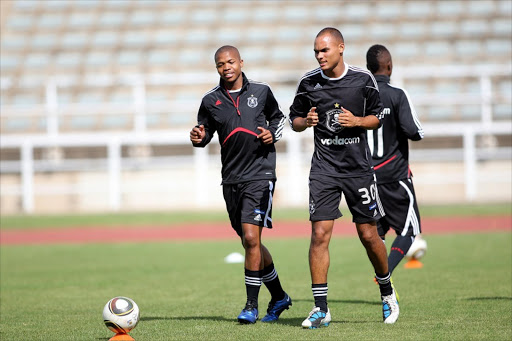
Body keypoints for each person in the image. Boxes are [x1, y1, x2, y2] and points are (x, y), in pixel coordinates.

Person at [289, 27, 399, 328]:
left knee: (368, 235)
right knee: (320, 234)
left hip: (357, 169)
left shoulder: (364, 80)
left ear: (340, 48)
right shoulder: (308, 82)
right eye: (316, 51)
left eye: (324, 50)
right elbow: (294, 119)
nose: (319, 56)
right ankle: (321, 308)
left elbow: (377, 116)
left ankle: (387, 292)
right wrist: (306, 121)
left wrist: (357, 121)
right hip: (324, 170)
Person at [190, 45, 290, 324]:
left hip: (260, 175)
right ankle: (280, 296)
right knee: (252, 243)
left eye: (231, 61)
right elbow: (204, 134)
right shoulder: (210, 100)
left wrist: (272, 133)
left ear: (241, 62)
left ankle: (251, 306)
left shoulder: (261, 91)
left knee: (250, 238)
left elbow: (279, 119)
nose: (226, 67)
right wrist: (198, 137)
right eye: (221, 64)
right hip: (231, 179)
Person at [366, 44, 424, 275]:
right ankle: (385, 277)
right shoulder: (398, 94)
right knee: (409, 231)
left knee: (376, 234)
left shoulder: (361, 96)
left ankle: (384, 286)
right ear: (389, 66)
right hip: (395, 176)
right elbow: (415, 132)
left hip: (368, 178)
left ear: (369, 69)